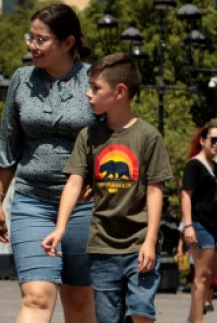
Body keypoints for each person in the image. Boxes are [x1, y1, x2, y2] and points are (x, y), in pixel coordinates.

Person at [0, 3, 97, 323]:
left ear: (68, 42)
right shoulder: (22, 80)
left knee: (79, 303)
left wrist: (101, 177)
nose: (32, 47)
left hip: (83, 206)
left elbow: (114, 140)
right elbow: (8, 145)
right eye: (30, 38)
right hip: (31, 202)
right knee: (37, 296)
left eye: (40, 40)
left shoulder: (95, 79)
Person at [42, 52, 172, 322]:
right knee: (109, 319)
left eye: (96, 88)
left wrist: (150, 240)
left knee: (141, 312)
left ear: (120, 91)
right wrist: (60, 228)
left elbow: (154, 190)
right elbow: (74, 182)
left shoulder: (148, 136)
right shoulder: (88, 136)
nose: (88, 94)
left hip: (139, 245)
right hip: (102, 248)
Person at [181, 121, 217, 322]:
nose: (216, 144)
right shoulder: (194, 165)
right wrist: (188, 225)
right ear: (203, 141)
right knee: (201, 277)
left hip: (214, 225)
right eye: (213, 139)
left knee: (209, 276)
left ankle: (191, 319)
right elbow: (185, 195)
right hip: (200, 224)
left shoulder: (214, 166)